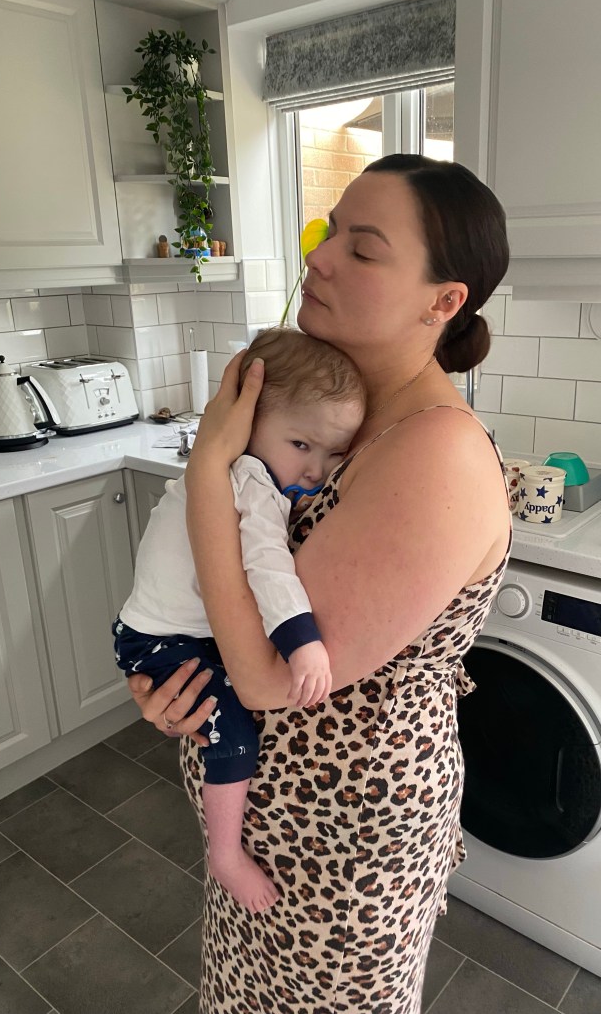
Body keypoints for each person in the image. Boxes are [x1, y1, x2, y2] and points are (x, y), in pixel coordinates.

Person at [127, 154, 512, 1014]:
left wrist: (207, 469)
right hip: (264, 830)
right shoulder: (332, 404)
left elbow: (270, 675)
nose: (320, 256)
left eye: (362, 249)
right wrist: (167, 671)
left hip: (340, 853)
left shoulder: (434, 451)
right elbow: (222, 580)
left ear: (443, 300)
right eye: (330, 230)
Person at [113, 327, 366, 913]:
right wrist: (301, 642)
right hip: (165, 640)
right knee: (235, 739)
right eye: (301, 444)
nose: (316, 470)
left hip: (161, 632)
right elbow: (267, 564)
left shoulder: (237, 468)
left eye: (333, 454)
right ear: (247, 422)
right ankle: (224, 855)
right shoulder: (252, 480)